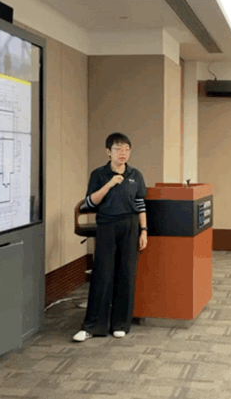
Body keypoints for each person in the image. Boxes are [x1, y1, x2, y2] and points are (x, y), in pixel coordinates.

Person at [73, 133, 148, 342]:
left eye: (126, 149)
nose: (123, 153)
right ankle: (93, 326)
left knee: (126, 274)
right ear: (108, 152)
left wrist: (144, 230)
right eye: (118, 149)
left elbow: (140, 203)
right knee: (102, 274)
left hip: (130, 226)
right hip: (107, 225)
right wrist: (110, 184)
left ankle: (120, 324)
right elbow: (90, 203)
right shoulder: (99, 174)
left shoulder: (135, 174)